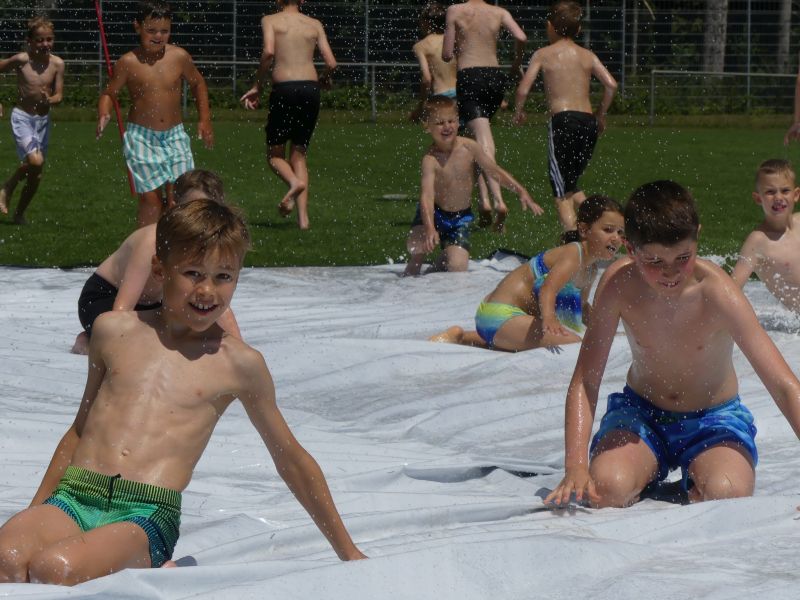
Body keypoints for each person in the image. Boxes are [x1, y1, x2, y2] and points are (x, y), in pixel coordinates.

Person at [0, 199, 366, 585]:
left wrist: (349, 552)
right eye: (193, 273)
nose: (207, 290)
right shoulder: (112, 331)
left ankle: (147, 560)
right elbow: (79, 430)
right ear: (160, 269)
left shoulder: (239, 364)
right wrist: (36, 513)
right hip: (75, 495)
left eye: (224, 276)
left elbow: (290, 458)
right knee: (7, 559)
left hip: (143, 514)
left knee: (54, 568)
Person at [545, 180, 800, 510]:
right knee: (605, 489)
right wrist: (575, 466)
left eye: (683, 257)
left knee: (726, 494)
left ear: (697, 237)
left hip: (714, 419)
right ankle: (643, 471)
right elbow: (586, 380)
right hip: (642, 414)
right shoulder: (620, 286)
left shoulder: (717, 292)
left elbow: (783, 385)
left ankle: (699, 475)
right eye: (654, 261)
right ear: (630, 248)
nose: (670, 273)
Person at [70, 169, 238, 355]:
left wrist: (240, 347)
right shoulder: (152, 241)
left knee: (195, 332)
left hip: (151, 306)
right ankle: (90, 340)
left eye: (207, 212)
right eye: (193, 209)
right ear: (174, 207)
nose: (200, 220)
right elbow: (121, 310)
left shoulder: (204, 247)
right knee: (151, 343)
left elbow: (217, 300)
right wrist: (114, 343)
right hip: (105, 299)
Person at [430, 195, 623, 351]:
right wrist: (549, 318)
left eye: (621, 233)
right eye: (608, 230)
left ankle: (461, 337)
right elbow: (548, 289)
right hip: (501, 314)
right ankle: (477, 336)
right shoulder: (573, 254)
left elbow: (581, 307)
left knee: (571, 340)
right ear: (584, 229)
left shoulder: (590, 269)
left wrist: (605, 328)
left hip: (508, 320)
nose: (616, 238)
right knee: (573, 345)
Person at [96, 1, 214, 228]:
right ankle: (146, 243)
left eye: (164, 31)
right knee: (151, 201)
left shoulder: (179, 57)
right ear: (137, 27)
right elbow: (109, 93)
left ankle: (173, 245)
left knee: (179, 198)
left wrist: (205, 119)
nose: (158, 36)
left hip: (174, 135)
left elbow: (198, 84)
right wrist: (104, 112)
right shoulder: (128, 62)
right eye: (151, 30)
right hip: (141, 138)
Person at [513, 1, 617, 241]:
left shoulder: (543, 54)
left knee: (560, 191)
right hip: (588, 123)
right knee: (571, 185)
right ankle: (606, 224)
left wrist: (518, 111)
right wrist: (600, 115)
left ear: (549, 26)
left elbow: (523, 90)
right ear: (578, 30)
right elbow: (611, 85)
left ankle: (573, 242)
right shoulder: (587, 55)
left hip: (563, 121)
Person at [404, 96, 542, 276]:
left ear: (458, 121)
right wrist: (430, 228)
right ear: (427, 126)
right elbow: (427, 197)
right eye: (439, 123)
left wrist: (521, 191)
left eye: (451, 121)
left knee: (458, 268)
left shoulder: (469, 147)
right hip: (434, 213)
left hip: (459, 218)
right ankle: (411, 275)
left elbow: (494, 171)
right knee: (416, 248)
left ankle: (438, 265)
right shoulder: (430, 159)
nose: (447, 126)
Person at [240, 0, 337, 231]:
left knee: (274, 155)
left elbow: (268, 52)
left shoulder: (270, 20)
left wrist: (257, 85)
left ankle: (294, 182)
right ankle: (303, 220)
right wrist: (323, 79)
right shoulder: (314, 24)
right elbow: (332, 63)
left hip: (284, 88)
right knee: (299, 155)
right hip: (310, 89)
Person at [442, 0, 527, 232]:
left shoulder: (455, 11)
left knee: (482, 139)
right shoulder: (499, 12)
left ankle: (498, 200)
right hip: (495, 78)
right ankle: (484, 201)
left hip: (470, 77)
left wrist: (459, 45)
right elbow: (521, 37)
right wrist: (517, 62)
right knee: (472, 141)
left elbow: (447, 54)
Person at [0, 16, 64, 225]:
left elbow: (59, 95)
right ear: (30, 41)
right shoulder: (22, 60)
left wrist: (50, 100)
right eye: (40, 40)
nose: (45, 44)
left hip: (42, 122)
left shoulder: (57, 64)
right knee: (36, 162)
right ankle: (8, 186)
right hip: (22, 118)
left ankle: (19, 214)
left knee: (36, 174)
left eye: (49, 39)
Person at [731, 159, 800, 314]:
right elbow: (732, 290)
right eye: (770, 192)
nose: (778, 197)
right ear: (758, 198)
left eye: (785, 191)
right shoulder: (758, 241)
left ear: (796, 195)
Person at [409, 2, 458, 122]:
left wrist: (421, 106)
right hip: (461, 95)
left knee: (442, 132)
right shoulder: (455, 40)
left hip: (441, 97)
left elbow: (426, 79)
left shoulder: (421, 46)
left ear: (426, 22)